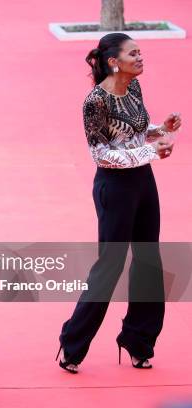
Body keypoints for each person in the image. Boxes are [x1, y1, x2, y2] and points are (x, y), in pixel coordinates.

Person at [57, 33, 182, 374]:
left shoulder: (134, 88)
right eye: (134, 53)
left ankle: (138, 340)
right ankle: (72, 343)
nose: (141, 58)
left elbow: (133, 134)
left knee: (149, 261)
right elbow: (102, 155)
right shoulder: (94, 102)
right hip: (114, 188)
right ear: (114, 61)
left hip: (143, 182)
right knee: (110, 265)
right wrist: (149, 152)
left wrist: (159, 131)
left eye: (140, 52)